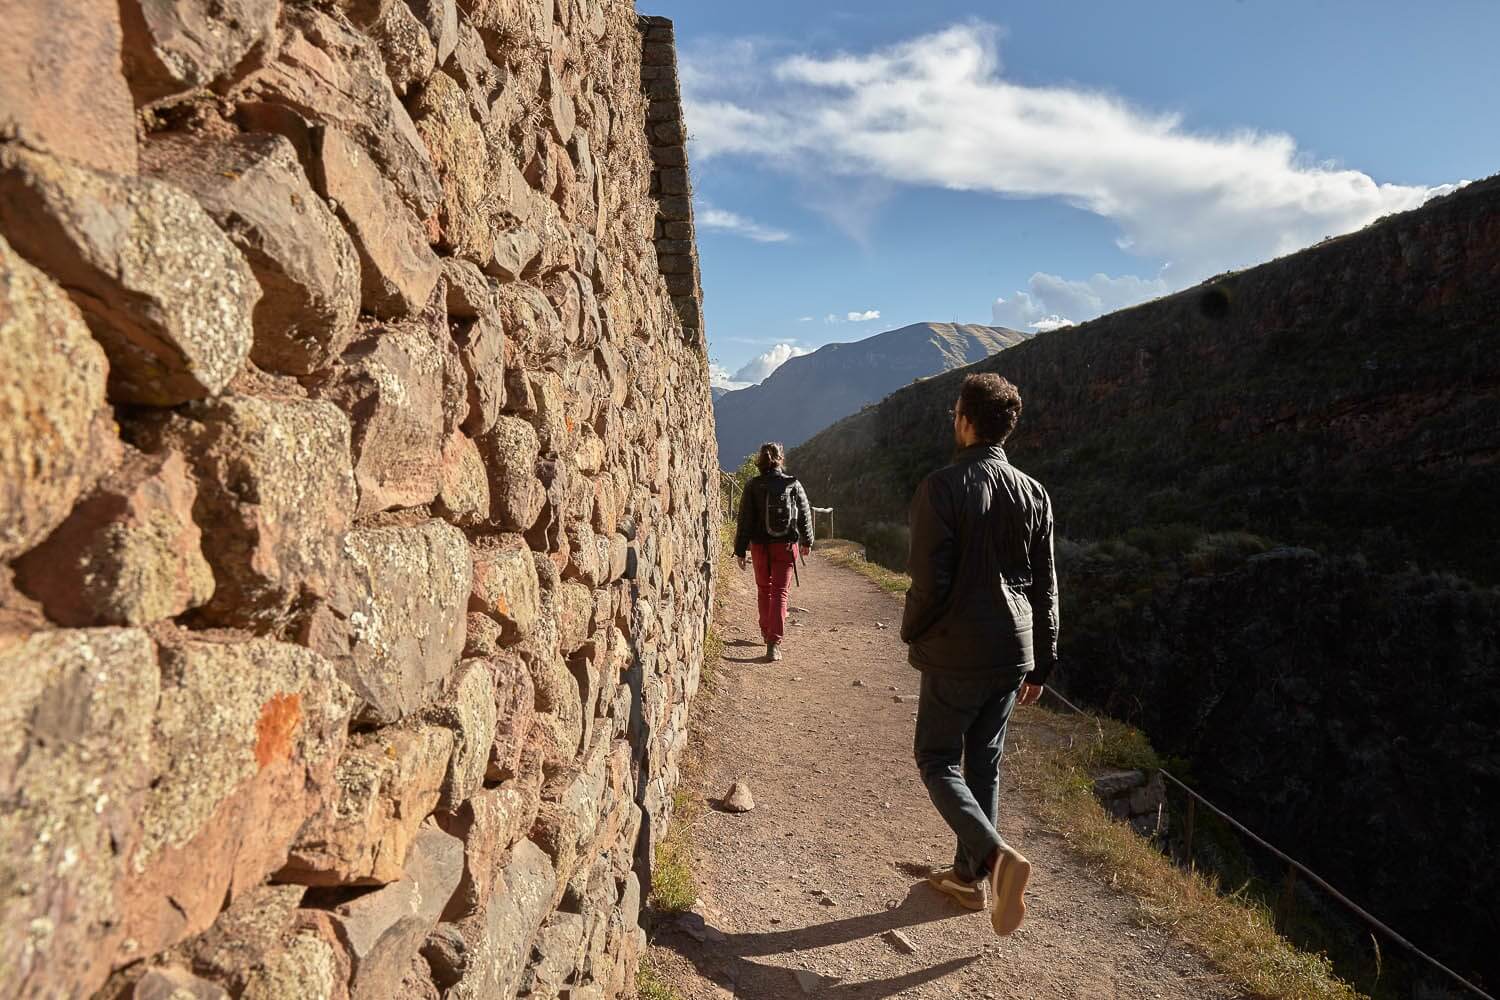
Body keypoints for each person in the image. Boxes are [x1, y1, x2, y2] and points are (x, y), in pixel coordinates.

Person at [900, 372, 1059, 937]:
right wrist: (1041, 662)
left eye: (954, 412)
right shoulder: (1034, 492)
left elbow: (928, 580)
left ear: (966, 420)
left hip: (957, 651)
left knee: (937, 759)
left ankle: (995, 861)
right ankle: (968, 880)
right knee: (983, 762)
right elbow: (1045, 585)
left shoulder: (941, 487)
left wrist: (912, 631)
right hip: (1013, 652)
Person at [733, 442, 813, 662]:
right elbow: (804, 513)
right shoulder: (792, 484)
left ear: (760, 460)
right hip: (786, 546)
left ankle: (766, 631)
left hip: (759, 546)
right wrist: (807, 541)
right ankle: (773, 643)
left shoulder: (753, 485)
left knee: (763, 589)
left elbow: (745, 520)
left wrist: (740, 550)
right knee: (780, 592)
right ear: (781, 459)